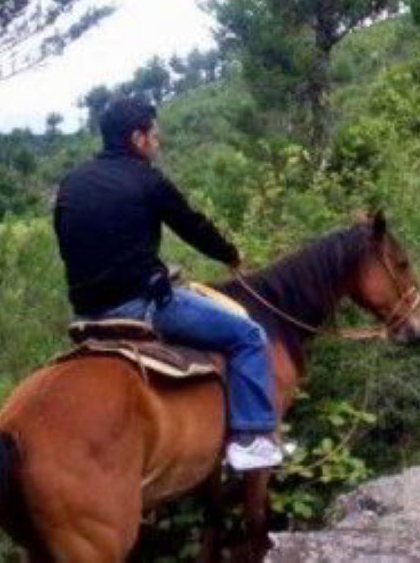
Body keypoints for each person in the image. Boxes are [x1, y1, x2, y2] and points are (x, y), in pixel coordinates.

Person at [53, 97, 282, 471]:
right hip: (143, 308)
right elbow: (193, 226)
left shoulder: (71, 183)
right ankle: (252, 439)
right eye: (154, 135)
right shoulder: (147, 180)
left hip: (87, 314)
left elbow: (68, 245)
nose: (158, 142)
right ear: (137, 138)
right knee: (248, 336)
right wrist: (231, 256)